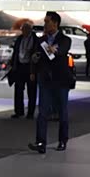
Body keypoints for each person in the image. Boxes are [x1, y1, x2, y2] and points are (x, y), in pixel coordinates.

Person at [28, 11, 73, 154]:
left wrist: (54, 50)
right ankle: (41, 142)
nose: (45, 24)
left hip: (61, 80)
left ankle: (62, 140)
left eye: (47, 21)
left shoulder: (65, 39)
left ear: (55, 23)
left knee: (62, 111)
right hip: (45, 80)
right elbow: (35, 55)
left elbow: (61, 51)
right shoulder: (41, 40)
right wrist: (34, 65)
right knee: (42, 112)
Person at [8, 21, 37, 119]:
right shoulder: (19, 39)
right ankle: (19, 111)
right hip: (20, 66)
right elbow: (15, 52)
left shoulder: (35, 40)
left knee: (31, 91)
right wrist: (13, 64)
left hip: (30, 67)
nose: (23, 31)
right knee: (18, 90)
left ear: (29, 30)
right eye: (22, 29)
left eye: (25, 29)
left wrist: (34, 70)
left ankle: (30, 112)